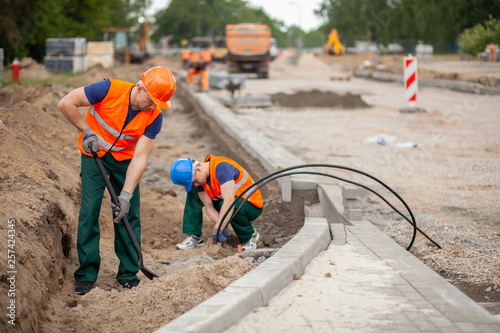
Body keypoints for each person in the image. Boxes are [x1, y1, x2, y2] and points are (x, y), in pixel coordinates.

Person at [57, 66, 176, 295]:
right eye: (151, 100)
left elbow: (140, 157)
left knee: (128, 213)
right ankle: (86, 275)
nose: (152, 106)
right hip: (94, 153)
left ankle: (128, 275)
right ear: (140, 88)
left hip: (124, 159)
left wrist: (126, 195)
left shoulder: (154, 117)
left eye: (157, 104)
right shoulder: (108, 89)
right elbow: (66, 103)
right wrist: (86, 131)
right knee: (90, 209)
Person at [170, 155, 263, 251]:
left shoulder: (222, 169)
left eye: (195, 181)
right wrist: (222, 225)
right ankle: (195, 236)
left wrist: (218, 228)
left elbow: (229, 202)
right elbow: (209, 207)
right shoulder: (199, 178)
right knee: (193, 193)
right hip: (226, 203)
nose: (196, 184)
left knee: (232, 205)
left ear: (198, 170)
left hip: (250, 205)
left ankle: (250, 236)